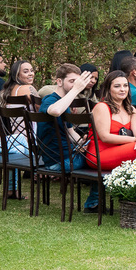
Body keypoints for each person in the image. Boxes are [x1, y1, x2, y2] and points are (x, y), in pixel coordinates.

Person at [37, 64, 96, 206]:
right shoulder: (50, 99)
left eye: (77, 81)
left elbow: (70, 133)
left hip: (66, 157)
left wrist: (83, 144)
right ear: (59, 81)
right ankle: (94, 202)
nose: (74, 84)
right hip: (59, 162)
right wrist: (76, 90)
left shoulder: (65, 104)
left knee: (98, 151)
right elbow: (55, 111)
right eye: (71, 81)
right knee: (101, 161)